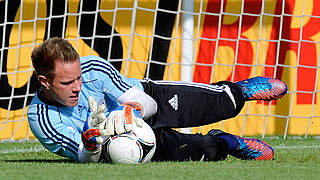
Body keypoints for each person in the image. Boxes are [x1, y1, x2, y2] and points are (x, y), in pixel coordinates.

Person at [27, 37, 287, 163]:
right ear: (45, 82)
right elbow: (83, 157)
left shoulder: (93, 67)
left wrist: (132, 113)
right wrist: (92, 145)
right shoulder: (41, 119)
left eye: (79, 78)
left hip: (151, 99)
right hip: (128, 147)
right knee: (205, 151)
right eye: (67, 83)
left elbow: (145, 102)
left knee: (219, 104)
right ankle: (227, 142)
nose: (77, 87)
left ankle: (240, 92)